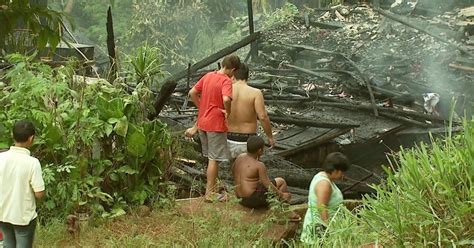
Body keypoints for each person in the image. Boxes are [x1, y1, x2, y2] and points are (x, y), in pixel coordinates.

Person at [186, 63, 275, 161]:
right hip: (247, 141)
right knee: (246, 171)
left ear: (233, 74)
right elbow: (262, 117)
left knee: (229, 171)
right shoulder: (255, 93)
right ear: (247, 75)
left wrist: (195, 127)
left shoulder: (224, 90)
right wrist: (270, 137)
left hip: (226, 137)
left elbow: (210, 111)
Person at [188, 54, 241, 202]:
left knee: (211, 158)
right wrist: (228, 111)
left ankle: (214, 189)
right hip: (215, 124)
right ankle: (209, 193)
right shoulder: (226, 81)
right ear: (233, 69)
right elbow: (225, 99)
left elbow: (192, 92)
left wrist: (202, 107)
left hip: (202, 123)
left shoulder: (208, 75)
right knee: (213, 159)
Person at [0, 120, 45, 248]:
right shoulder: (32, 163)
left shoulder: (1, 158)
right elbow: (39, 194)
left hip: (2, 214)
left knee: (8, 244)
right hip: (23, 217)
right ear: (31, 138)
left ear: (12, 135)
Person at [300, 152, 350, 244]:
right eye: (342, 172)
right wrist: (329, 229)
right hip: (320, 230)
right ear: (335, 170)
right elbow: (322, 207)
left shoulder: (322, 175)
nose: (343, 175)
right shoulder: (324, 184)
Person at [232, 136, 290, 209]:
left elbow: (233, 170)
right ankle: (283, 209)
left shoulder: (240, 157)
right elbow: (267, 185)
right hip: (251, 199)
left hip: (239, 197)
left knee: (261, 184)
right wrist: (281, 195)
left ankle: (277, 205)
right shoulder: (259, 165)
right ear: (260, 150)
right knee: (281, 181)